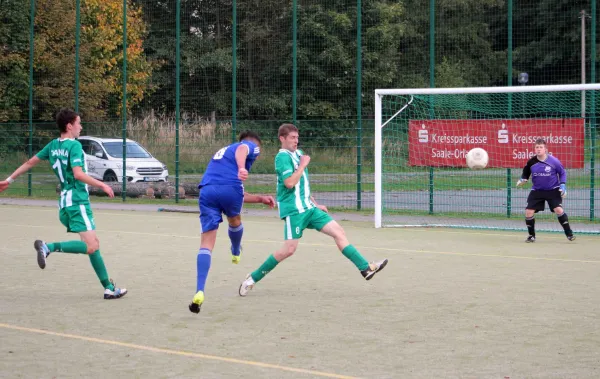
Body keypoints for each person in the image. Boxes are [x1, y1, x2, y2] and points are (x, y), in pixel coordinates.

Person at [238, 123, 388, 297]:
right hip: (294, 211)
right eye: (292, 138)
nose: (296, 141)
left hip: (309, 208)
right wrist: (302, 166)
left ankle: (365, 268)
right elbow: (290, 183)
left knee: (339, 232)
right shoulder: (282, 158)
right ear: (282, 138)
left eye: (297, 137)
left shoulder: (300, 154)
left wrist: (315, 203)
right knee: (288, 250)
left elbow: (303, 185)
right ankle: (252, 279)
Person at [0, 108, 127, 299]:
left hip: (65, 204)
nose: (81, 126)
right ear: (69, 126)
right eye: (79, 123)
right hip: (77, 202)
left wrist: (9, 180)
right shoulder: (74, 146)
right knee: (92, 246)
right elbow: (78, 174)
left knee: (92, 245)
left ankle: (108, 287)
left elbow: (29, 163)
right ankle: (48, 247)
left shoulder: (52, 145)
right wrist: (102, 184)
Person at [189, 130, 275, 314]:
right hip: (230, 189)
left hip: (207, 190)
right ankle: (235, 250)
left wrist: (260, 198)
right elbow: (243, 149)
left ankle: (199, 291)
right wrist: (242, 167)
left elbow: (233, 190)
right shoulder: (249, 146)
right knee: (234, 219)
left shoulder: (222, 154)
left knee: (206, 244)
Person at [516, 138, 575, 242]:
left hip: (552, 190)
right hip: (537, 190)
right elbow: (526, 172)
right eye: (537, 147)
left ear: (545, 149)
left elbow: (562, 173)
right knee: (528, 212)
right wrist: (523, 179)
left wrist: (563, 185)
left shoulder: (554, 161)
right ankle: (531, 236)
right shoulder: (531, 162)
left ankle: (569, 234)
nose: (538, 149)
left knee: (558, 210)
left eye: (541, 147)